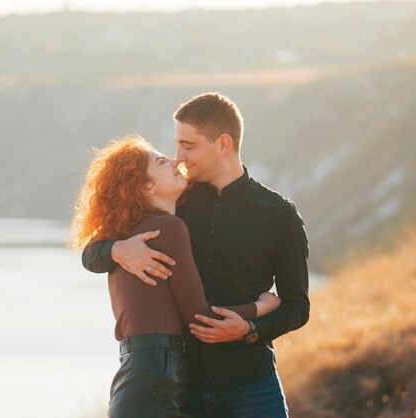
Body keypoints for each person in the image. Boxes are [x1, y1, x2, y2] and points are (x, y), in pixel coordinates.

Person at [82, 92, 310, 418]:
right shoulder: (173, 201)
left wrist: (250, 329)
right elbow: (91, 253)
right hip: (180, 389)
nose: (180, 157)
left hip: (251, 384)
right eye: (177, 146)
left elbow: (297, 307)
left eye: (189, 146)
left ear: (223, 144)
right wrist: (117, 249)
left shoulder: (279, 214)